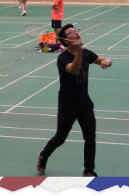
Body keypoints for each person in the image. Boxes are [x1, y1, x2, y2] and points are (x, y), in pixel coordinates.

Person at [36, 24, 111, 176]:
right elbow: (74, 70)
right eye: (71, 32)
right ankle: (44, 155)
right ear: (66, 40)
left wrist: (107, 61)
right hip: (68, 105)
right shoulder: (62, 59)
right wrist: (79, 52)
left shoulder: (86, 53)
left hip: (85, 103)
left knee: (90, 137)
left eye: (76, 30)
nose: (76, 32)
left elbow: (102, 60)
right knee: (60, 138)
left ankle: (89, 171)